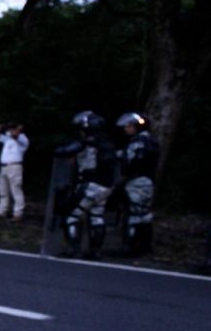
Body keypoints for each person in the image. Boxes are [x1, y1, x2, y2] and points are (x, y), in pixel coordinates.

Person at [54, 110, 118, 259]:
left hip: (91, 184)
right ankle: (95, 251)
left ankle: (73, 249)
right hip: (106, 186)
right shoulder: (107, 143)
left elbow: (62, 151)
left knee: (71, 216)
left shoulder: (86, 143)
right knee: (96, 216)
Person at [115, 112, 159, 256]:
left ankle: (129, 247)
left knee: (133, 214)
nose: (126, 129)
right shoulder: (150, 141)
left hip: (137, 181)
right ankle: (144, 247)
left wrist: (126, 174)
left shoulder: (139, 142)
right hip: (146, 181)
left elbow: (135, 161)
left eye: (129, 126)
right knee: (143, 214)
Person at [0, 122, 29, 221]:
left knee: (16, 190)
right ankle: (2, 211)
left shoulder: (23, 138)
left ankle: (18, 213)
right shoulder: (8, 138)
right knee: (3, 190)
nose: (10, 130)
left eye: (12, 128)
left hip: (14, 166)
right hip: (4, 167)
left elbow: (15, 135)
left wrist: (18, 128)